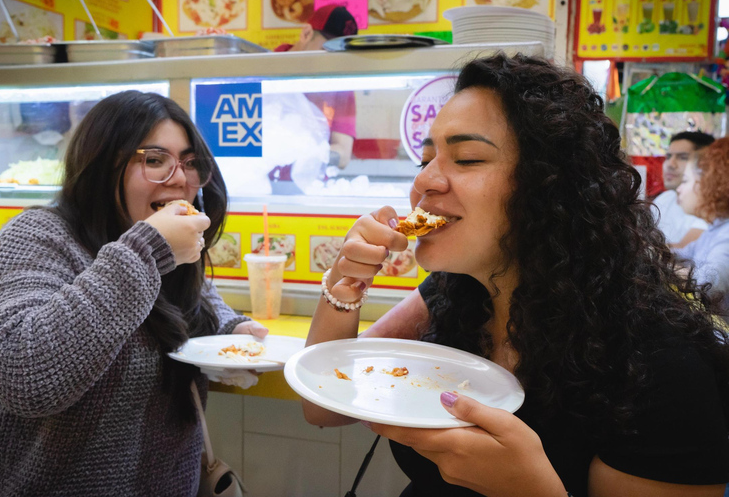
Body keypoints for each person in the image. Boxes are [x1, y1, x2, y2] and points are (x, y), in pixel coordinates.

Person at [303, 54, 729, 497]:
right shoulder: (457, 291)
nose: (425, 181)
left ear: (551, 185)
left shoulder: (662, 363)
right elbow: (323, 408)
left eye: (466, 158)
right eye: (425, 160)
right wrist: (345, 284)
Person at [0, 90, 267, 496]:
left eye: (190, 162)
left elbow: (190, 297)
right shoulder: (35, 237)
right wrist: (150, 248)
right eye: (154, 160)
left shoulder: (150, 246)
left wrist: (230, 327)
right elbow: (25, 376)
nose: (179, 179)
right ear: (103, 166)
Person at [273, 4, 358, 170]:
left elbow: (343, 154)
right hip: (261, 182)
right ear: (306, 34)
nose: (332, 62)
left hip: (312, 181)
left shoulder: (341, 84)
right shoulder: (264, 67)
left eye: (340, 55)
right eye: (327, 50)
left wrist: (313, 153)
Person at [675, 137, 729, 321]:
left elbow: (709, 284)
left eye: (685, 181)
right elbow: (681, 254)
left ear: (708, 183)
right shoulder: (714, 230)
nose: (679, 189)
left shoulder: (726, 234)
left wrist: (664, 268)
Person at [652, 131, 714, 248]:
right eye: (668, 157)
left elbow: (684, 251)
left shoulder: (712, 208)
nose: (671, 164)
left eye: (683, 158)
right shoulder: (664, 199)